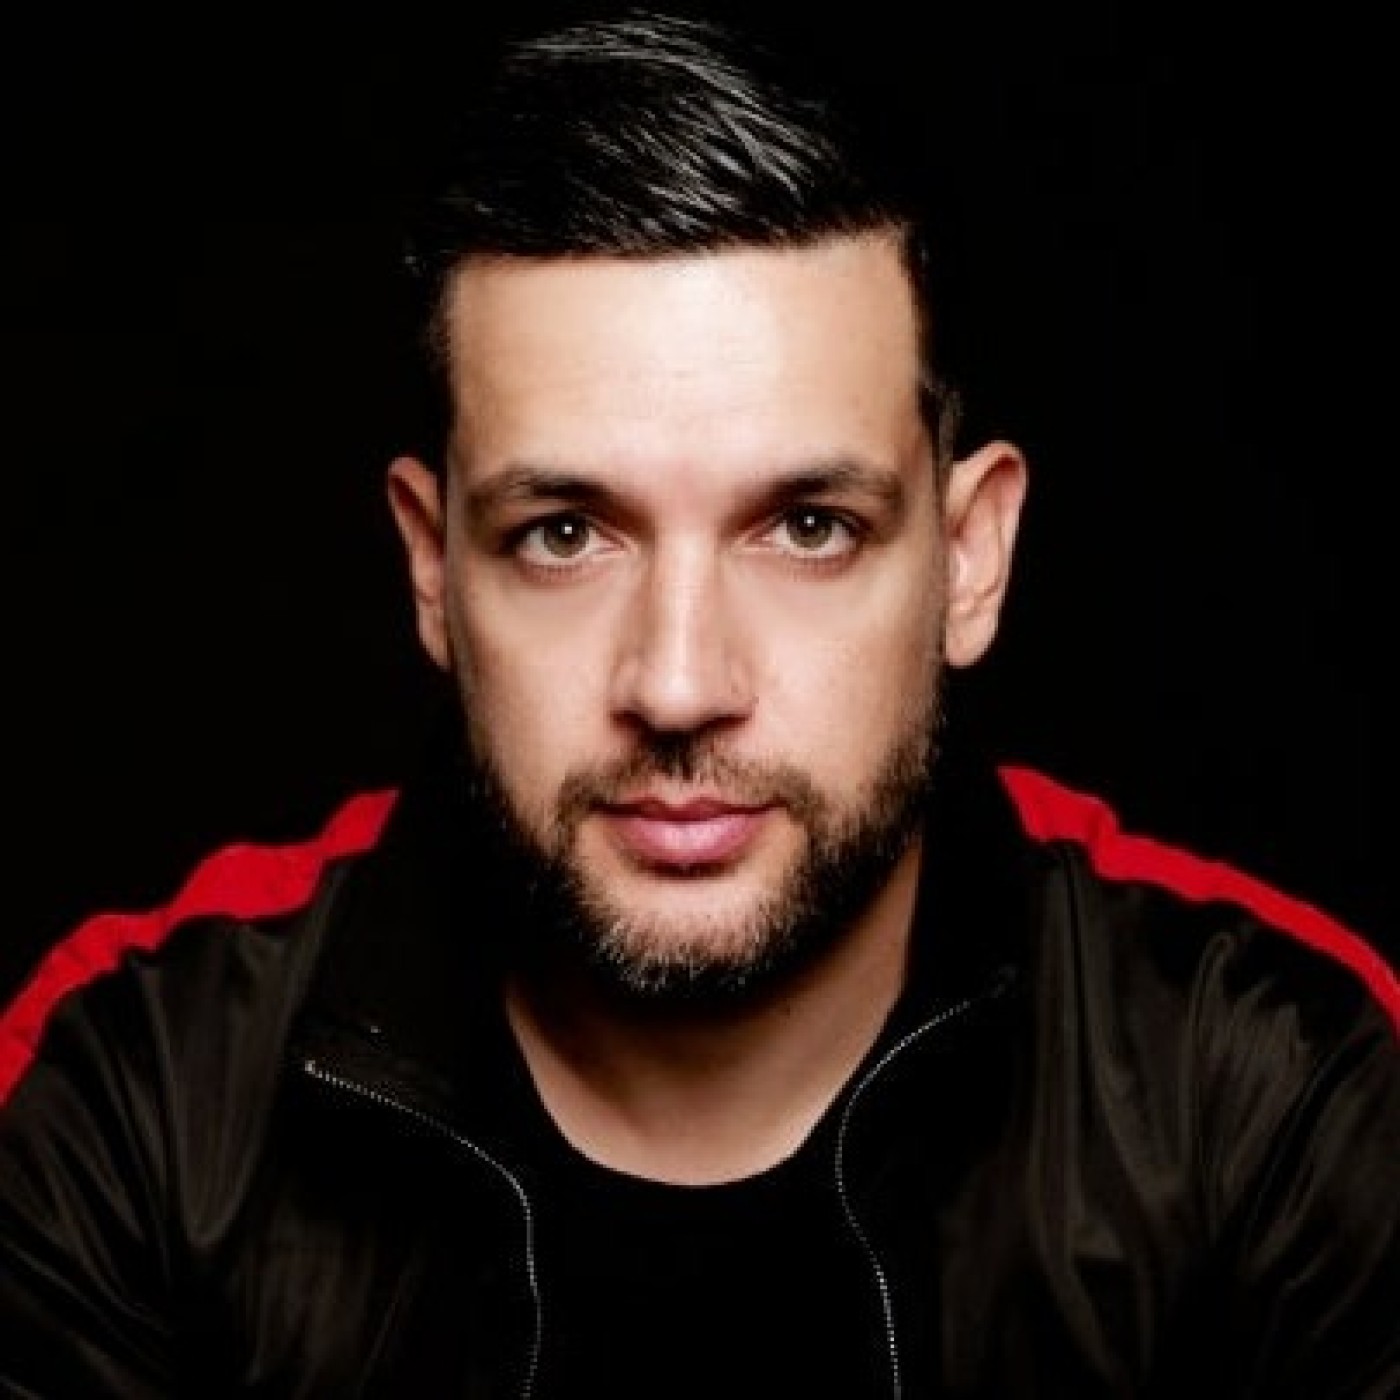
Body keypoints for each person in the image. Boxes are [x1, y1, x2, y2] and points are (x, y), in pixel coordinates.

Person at [2, 6, 1397, 1396]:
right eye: (564, 534)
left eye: (807, 528)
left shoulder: (1277, 1088)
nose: (678, 685)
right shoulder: (136, 1100)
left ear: (970, 560)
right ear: (432, 571)